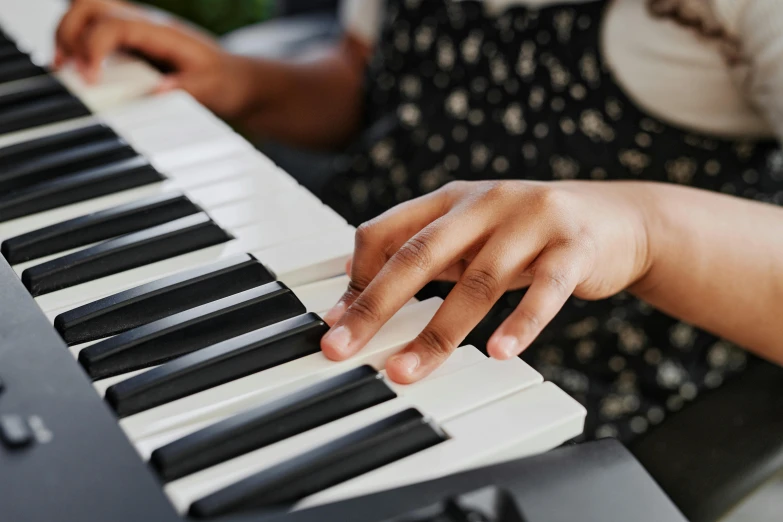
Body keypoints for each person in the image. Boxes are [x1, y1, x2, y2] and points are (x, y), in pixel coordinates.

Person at [55, 0, 783, 442]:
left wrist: (640, 227)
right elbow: (368, 87)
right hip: (344, 280)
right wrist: (248, 83)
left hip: (555, 364)